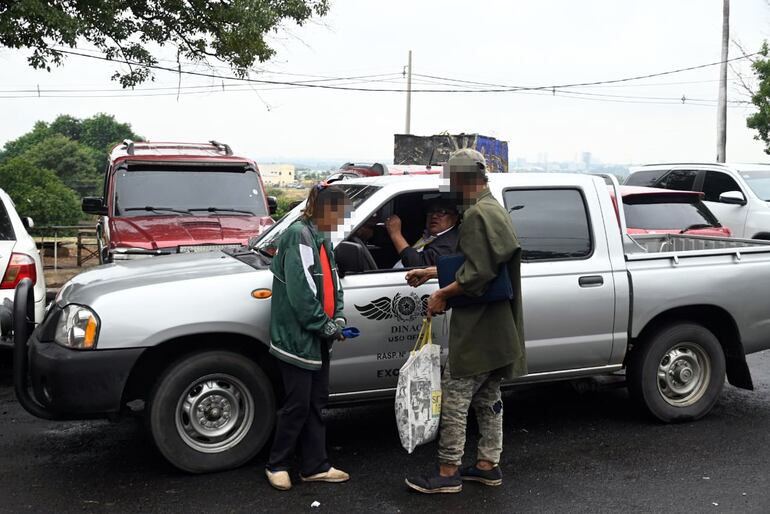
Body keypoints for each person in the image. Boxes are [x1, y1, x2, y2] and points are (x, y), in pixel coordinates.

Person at [405, 149, 526, 494]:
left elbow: (477, 274)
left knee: (456, 399)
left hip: (477, 329)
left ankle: (447, 473)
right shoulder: (494, 209)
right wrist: (432, 271)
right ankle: (488, 465)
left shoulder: (475, 215)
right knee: (489, 397)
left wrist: (441, 294)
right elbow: (482, 262)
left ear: (463, 180)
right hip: (498, 325)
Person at [265, 183, 351, 491]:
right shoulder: (299, 236)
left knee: (316, 403)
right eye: (339, 212)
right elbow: (302, 295)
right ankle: (277, 464)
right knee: (297, 405)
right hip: (297, 340)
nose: (343, 218)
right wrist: (327, 326)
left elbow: (335, 283)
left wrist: (337, 316)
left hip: (317, 338)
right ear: (324, 209)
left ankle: (315, 465)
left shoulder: (321, 239)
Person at [384, 199, 460, 268]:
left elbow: (419, 266)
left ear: (455, 217)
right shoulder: (428, 235)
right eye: (431, 212)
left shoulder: (450, 243)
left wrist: (396, 235)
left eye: (441, 212)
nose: (434, 216)